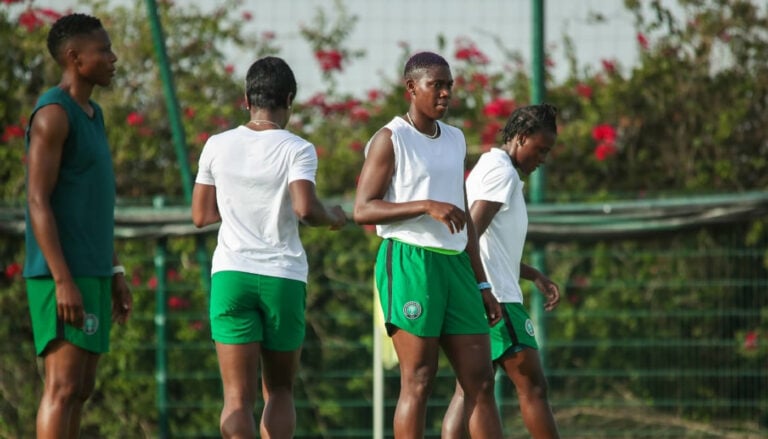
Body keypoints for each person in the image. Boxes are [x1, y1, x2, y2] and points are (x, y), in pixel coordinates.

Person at [191, 56, 347, 438]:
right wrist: (333, 216)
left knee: (236, 399)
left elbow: (201, 215)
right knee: (279, 390)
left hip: (231, 274)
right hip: (282, 275)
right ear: (289, 100)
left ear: (247, 99)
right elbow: (305, 208)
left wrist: (238, 205)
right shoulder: (298, 149)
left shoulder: (216, 145)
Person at [353, 51, 504, 438]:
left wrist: (482, 283)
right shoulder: (391, 138)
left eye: (449, 85)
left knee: (480, 379)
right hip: (410, 261)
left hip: (457, 266)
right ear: (411, 87)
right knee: (419, 378)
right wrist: (424, 205)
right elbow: (363, 209)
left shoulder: (455, 139)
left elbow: (464, 216)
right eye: (436, 85)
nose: (445, 93)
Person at [23, 13, 132, 439]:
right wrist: (62, 279)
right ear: (74, 57)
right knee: (62, 387)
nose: (113, 58)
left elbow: (93, 206)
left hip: (93, 271)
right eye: (103, 50)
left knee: (81, 388)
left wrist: (115, 270)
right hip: (62, 274)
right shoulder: (53, 114)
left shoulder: (93, 113)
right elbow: (37, 200)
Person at [442, 104, 561, 439]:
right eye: (541, 149)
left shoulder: (490, 166)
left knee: (470, 390)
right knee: (533, 386)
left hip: (480, 292)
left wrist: (532, 273)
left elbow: (486, 244)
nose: (543, 159)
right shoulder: (503, 173)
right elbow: (470, 233)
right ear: (521, 138)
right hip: (497, 298)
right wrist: (484, 288)